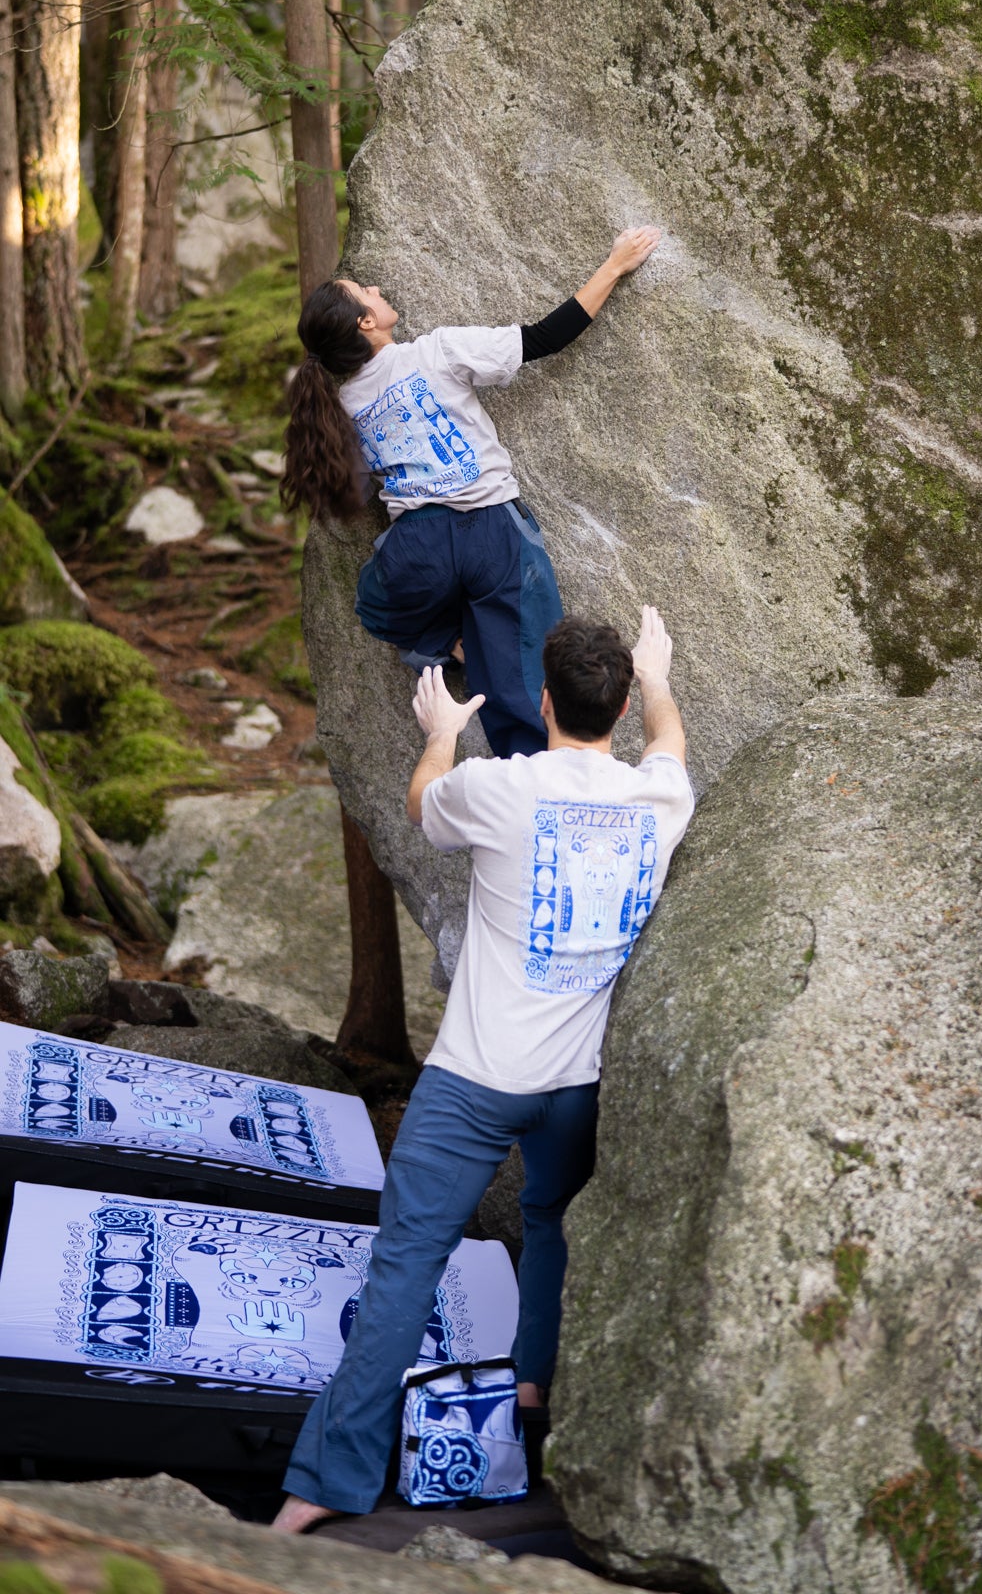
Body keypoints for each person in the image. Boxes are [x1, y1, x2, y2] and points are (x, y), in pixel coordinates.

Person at [273, 605, 693, 1531]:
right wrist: (659, 678)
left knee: (405, 1266)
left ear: (543, 704)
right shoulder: (660, 798)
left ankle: (321, 1486)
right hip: (575, 1085)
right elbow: (671, 741)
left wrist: (441, 733)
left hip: (473, 1081)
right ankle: (533, 1388)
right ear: (618, 709)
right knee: (550, 1227)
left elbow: (425, 805)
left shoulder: (500, 790)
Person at [282, 228, 661, 760]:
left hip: (420, 544)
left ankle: (451, 647)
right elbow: (545, 337)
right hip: (492, 531)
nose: (374, 288)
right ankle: (535, 771)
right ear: (366, 322)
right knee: (527, 678)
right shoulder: (436, 352)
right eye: (363, 291)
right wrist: (614, 266)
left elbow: (363, 486)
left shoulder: (340, 405)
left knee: (374, 605)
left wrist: (439, 641)